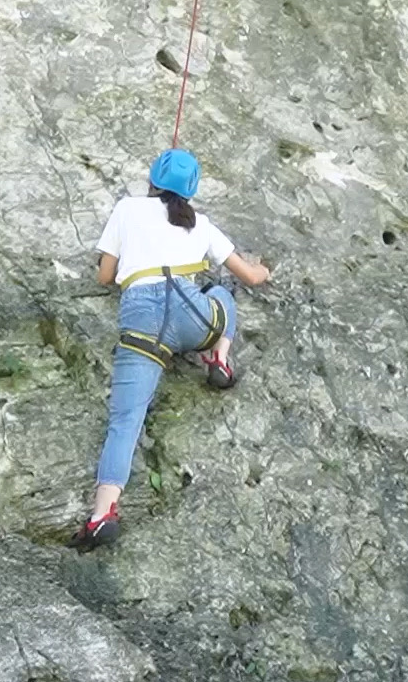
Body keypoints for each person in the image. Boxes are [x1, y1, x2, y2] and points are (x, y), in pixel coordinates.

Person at [72, 148, 271, 550]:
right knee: (222, 295)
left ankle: (103, 513)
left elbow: (105, 277)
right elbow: (249, 277)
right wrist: (264, 268)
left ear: (152, 180)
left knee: (126, 420)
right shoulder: (202, 223)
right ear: (192, 189)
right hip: (192, 318)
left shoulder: (128, 209)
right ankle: (218, 356)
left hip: (143, 322)